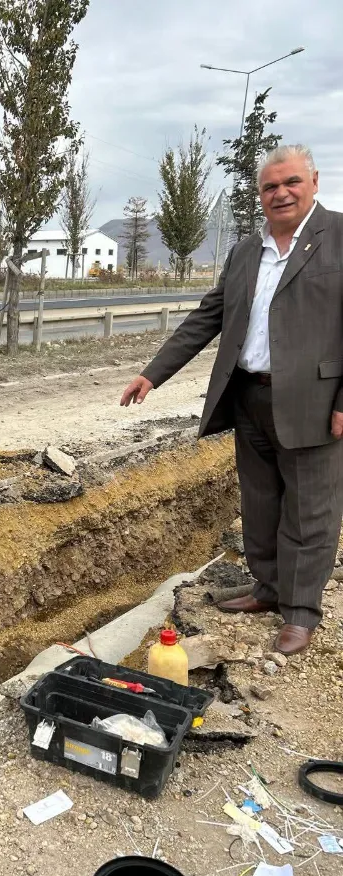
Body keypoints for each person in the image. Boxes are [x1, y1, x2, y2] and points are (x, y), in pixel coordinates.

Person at [120, 144, 343, 655]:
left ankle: (302, 611)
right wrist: (154, 374)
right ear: (260, 195)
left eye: (290, 183)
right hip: (249, 397)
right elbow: (208, 315)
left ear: (314, 182)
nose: (280, 193)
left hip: (315, 401)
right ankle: (267, 590)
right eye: (269, 187)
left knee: (311, 512)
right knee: (260, 503)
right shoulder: (247, 249)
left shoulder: (340, 238)